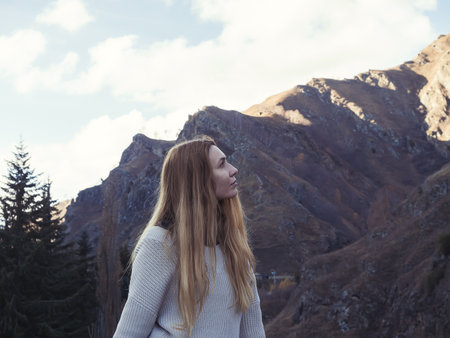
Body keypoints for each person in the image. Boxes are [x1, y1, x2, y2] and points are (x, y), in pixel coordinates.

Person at [113, 136, 265, 337]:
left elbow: (253, 331)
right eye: (222, 164)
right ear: (198, 180)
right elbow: (129, 333)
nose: (233, 169)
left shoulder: (235, 247)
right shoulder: (160, 244)